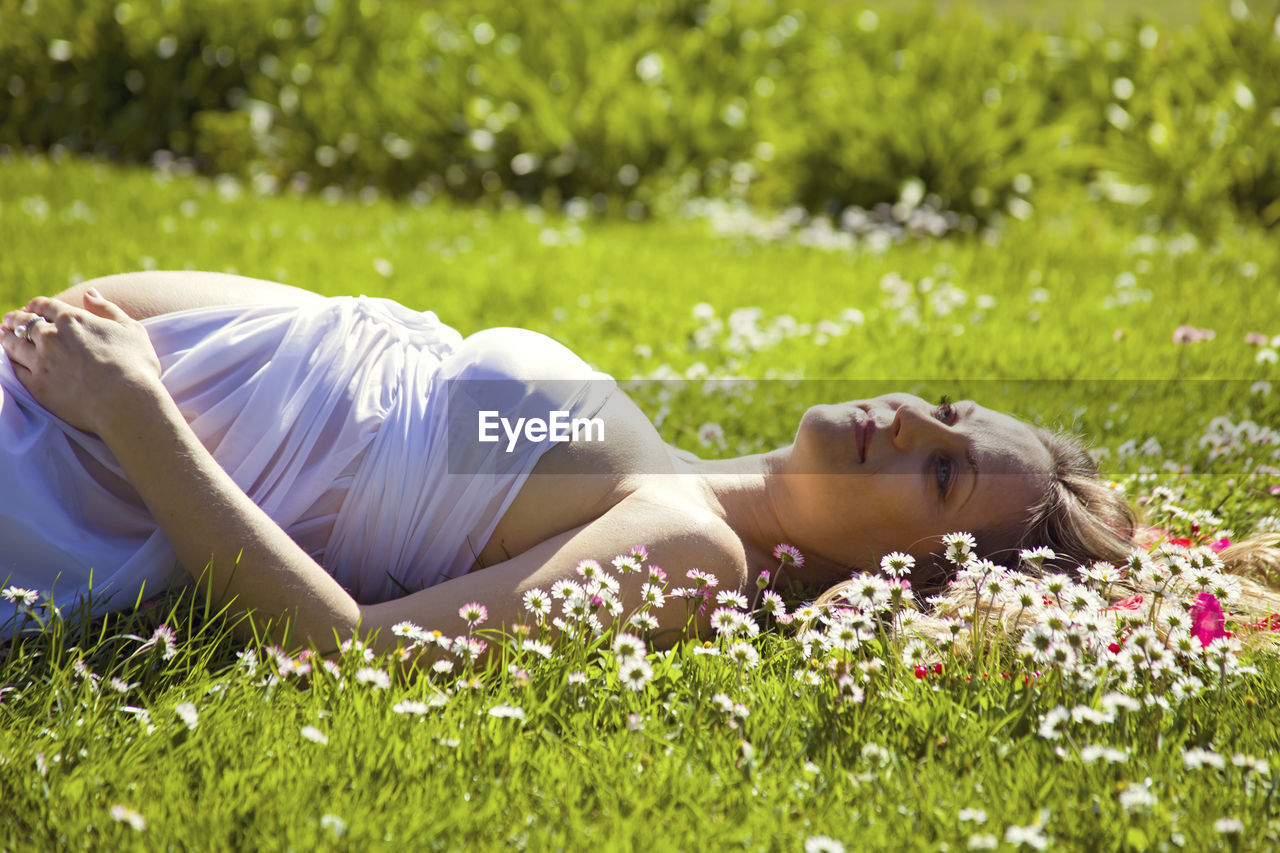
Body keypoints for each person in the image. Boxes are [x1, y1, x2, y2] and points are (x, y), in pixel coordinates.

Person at [2, 271, 1277, 651]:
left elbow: (339, 654)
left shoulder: (687, 556)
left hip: (72, 468)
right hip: (63, 388)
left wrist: (130, 406)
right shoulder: (655, 460)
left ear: (909, 576)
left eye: (938, 472)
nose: (910, 420)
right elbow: (376, 394)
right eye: (948, 409)